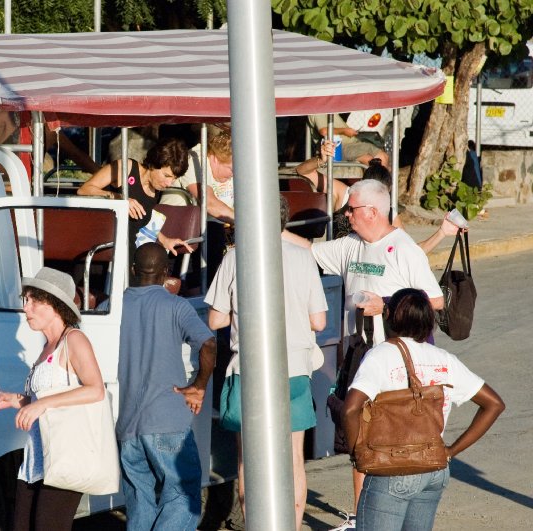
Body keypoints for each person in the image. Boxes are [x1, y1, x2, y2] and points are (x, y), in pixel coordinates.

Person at [286, 179, 444, 531]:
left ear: (371, 211)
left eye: (351, 208)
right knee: (358, 436)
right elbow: (309, 251)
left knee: (394, 441)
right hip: (360, 355)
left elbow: (435, 301)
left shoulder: (403, 249)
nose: (345, 214)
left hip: (398, 359)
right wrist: (271, 230)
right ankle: (362, 517)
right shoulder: (351, 245)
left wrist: (385, 305)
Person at [204, 196, 327, 529]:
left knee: (249, 461)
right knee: (293, 460)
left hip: (249, 371)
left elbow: (214, 320)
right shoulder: (303, 258)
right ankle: (294, 523)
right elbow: (319, 322)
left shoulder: (234, 258)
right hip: (296, 370)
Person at [342, 288, 505, 531]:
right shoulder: (444, 358)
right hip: (434, 469)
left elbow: (350, 409)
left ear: (389, 316)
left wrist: (358, 454)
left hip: (392, 470)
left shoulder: (382, 355)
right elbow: (494, 404)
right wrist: (450, 451)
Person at [0, 267, 105, 531]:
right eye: (25, 300)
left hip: (64, 457)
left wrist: (41, 403)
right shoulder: (46, 348)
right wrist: (15, 400)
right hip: (36, 460)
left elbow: (96, 390)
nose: (26, 308)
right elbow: (46, 401)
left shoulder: (74, 339)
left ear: (56, 305)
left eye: (34, 301)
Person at [116, 242, 216, 531]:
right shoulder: (176, 305)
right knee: (181, 496)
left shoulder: (111, 307)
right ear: (166, 272)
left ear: (133, 270)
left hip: (126, 426)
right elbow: (208, 343)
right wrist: (198, 386)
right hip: (167, 420)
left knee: (139, 504)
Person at [78, 137, 192, 257]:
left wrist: (164, 239)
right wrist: (120, 199)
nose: (169, 183)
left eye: (174, 179)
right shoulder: (126, 168)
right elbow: (84, 189)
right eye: (166, 175)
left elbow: (142, 216)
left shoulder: (154, 190)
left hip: (127, 252)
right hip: (99, 248)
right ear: (154, 164)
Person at [160, 130, 235, 281]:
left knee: (216, 233)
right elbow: (210, 203)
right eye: (231, 169)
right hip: (175, 225)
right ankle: (201, 288)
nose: (233, 174)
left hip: (210, 226)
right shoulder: (195, 160)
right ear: (214, 159)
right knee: (213, 233)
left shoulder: (230, 169)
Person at [309, 113, 389, 167]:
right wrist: (344, 131)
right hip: (339, 146)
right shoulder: (318, 109)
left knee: (383, 156)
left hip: (352, 144)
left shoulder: (329, 108)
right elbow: (324, 131)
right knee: (371, 161)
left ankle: (383, 187)